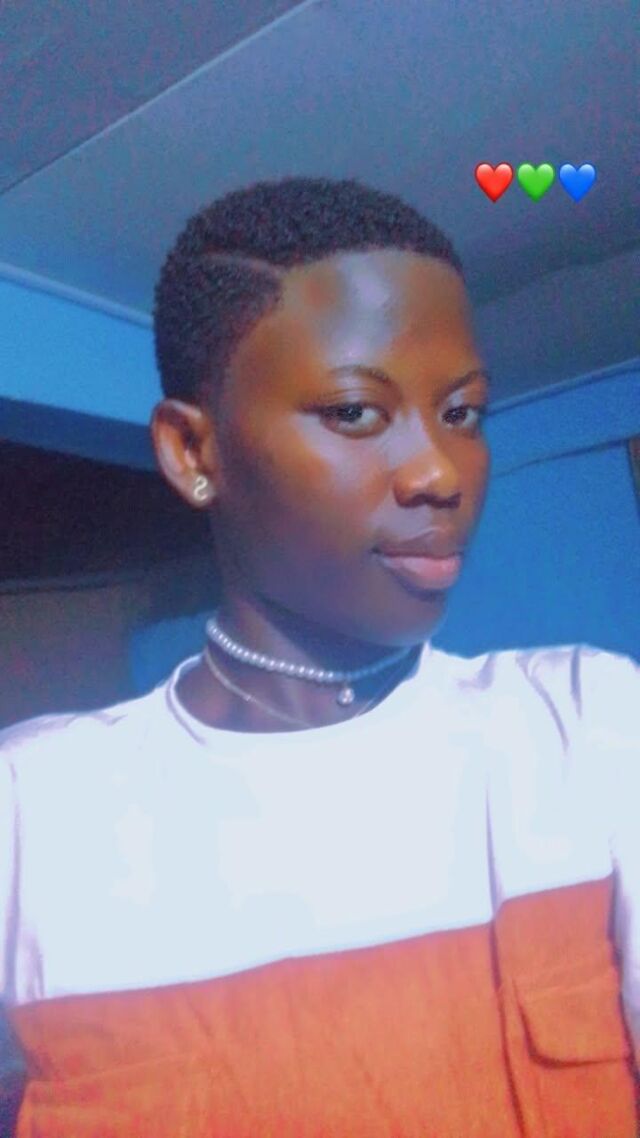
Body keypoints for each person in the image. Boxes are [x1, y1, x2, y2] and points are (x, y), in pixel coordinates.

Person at [1, 176, 638, 1138]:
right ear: (193, 453)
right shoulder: (34, 812)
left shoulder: (586, 728)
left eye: (462, 413)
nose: (440, 472)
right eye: (355, 412)